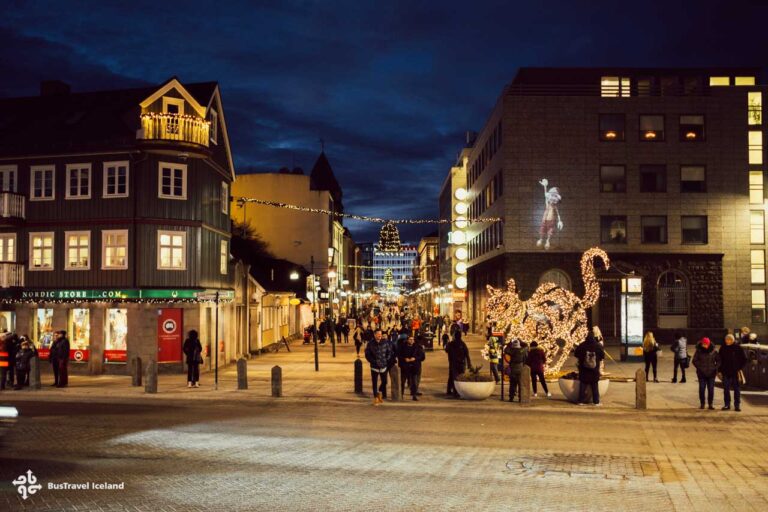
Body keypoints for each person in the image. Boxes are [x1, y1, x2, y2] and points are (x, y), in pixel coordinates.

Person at [364, 329, 395, 405]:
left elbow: (389, 352)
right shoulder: (370, 343)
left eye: (380, 334)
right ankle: (376, 398)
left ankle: (379, 392)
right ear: (374, 335)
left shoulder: (385, 342)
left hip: (383, 365)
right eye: (378, 334)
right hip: (374, 366)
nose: (380, 335)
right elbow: (367, 355)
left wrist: (386, 360)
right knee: (374, 383)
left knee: (384, 382)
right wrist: (373, 361)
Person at [574, 333, 605, 405]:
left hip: (583, 369)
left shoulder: (582, 345)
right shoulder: (598, 346)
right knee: (594, 385)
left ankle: (580, 401)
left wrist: (582, 358)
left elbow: (576, 354)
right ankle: (596, 402)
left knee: (583, 384)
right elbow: (602, 356)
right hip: (594, 370)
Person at [719, 334, 746, 411]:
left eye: (729, 340)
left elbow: (744, 359)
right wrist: (720, 370)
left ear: (732, 340)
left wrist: (739, 368)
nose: (727, 341)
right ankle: (727, 404)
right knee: (726, 389)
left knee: (736, 389)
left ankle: (737, 405)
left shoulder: (738, 348)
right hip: (725, 372)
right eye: (726, 340)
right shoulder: (723, 348)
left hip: (735, 372)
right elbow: (720, 360)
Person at [692, 337, 720, 410]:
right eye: (703, 344)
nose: (705, 345)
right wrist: (700, 367)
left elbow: (719, 361)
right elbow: (694, 360)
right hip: (701, 373)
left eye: (706, 344)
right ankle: (702, 403)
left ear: (709, 344)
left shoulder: (714, 351)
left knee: (711, 389)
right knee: (702, 388)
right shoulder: (699, 351)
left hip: (711, 373)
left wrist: (715, 368)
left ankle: (710, 404)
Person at [398, 335, 425, 400]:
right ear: (407, 340)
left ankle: (414, 395)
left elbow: (422, 357)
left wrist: (415, 358)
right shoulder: (402, 347)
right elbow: (399, 355)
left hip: (414, 367)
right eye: (410, 339)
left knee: (414, 383)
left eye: (412, 339)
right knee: (403, 381)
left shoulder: (418, 347)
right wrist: (404, 359)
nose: (411, 341)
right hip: (405, 367)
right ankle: (401, 394)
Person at [445, 331, 471, 397]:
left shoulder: (452, 344)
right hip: (460, 363)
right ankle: (455, 391)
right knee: (457, 377)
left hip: (453, 363)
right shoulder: (462, 344)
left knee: (453, 377)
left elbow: (446, 350)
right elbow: (467, 354)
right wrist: (469, 363)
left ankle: (452, 390)